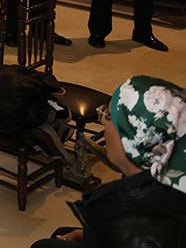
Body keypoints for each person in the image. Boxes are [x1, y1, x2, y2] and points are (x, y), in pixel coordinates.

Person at [30, 76, 186, 247]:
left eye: (109, 117)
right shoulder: (166, 174)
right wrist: (88, 235)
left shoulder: (134, 230)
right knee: (59, 233)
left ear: (134, 139)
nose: (103, 123)